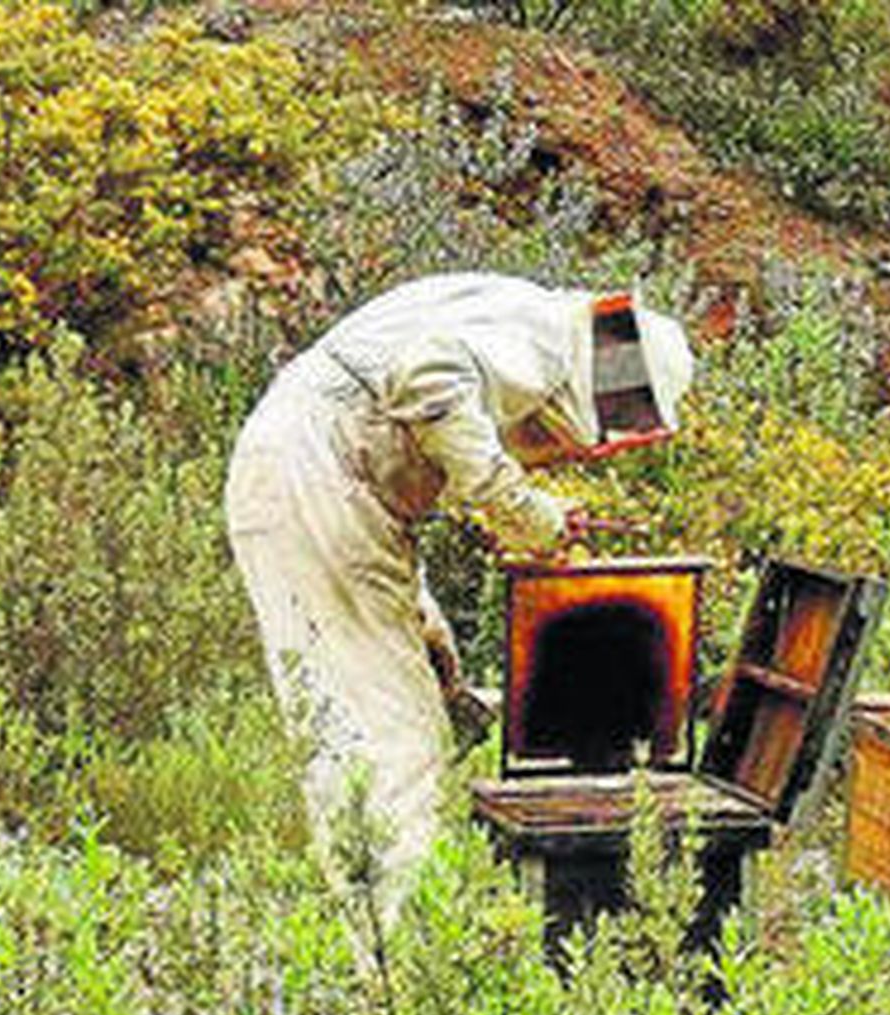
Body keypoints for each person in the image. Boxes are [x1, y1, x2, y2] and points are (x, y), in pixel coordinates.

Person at [224, 273, 693, 924]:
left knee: (396, 708)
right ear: (620, 379)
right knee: (393, 746)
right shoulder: (548, 339)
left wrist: (430, 637)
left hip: (326, 479)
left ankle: (377, 945)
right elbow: (428, 379)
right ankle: (400, 976)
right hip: (320, 475)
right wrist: (525, 511)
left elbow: (401, 454)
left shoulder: (512, 312)